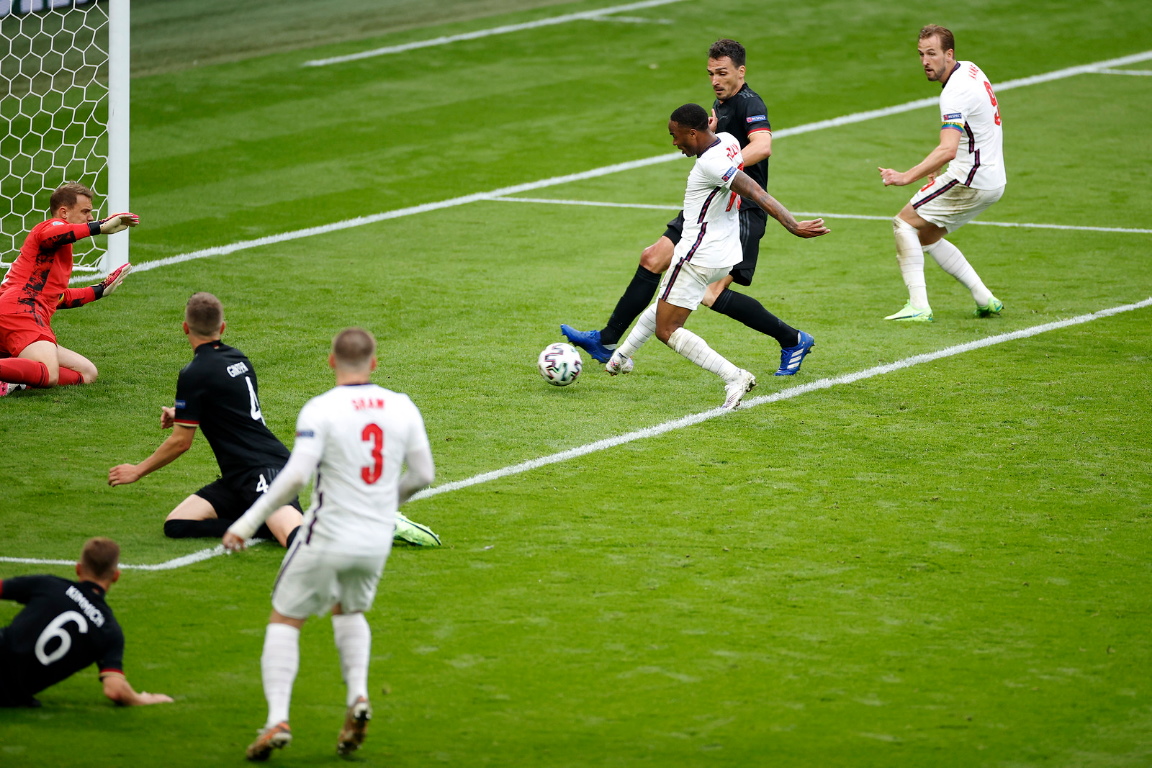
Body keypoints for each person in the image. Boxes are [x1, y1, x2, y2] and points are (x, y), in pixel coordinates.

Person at [222, 327, 436, 761]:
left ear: (330, 361)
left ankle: (278, 718)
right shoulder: (402, 406)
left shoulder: (321, 409)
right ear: (374, 363)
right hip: (374, 540)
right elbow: (424, 475)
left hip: (327, 533)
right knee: (349, 608)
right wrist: (385, 502)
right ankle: (358, 696)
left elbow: (297, 477)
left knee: (285, 617)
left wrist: (245, 524)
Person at [562, 39, 818, 376]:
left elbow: (763, 145)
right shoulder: (719, 105)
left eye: (722, 73)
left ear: (741, 72)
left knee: (710, 294)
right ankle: (608, 341)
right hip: (707, 208)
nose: (715, 79)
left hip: (739, 210)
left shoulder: (748, 103)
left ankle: (792, 339)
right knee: (652, 258)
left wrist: (725, 167)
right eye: (711, 73)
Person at [605, 104, 829, 410]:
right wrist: (709, 127)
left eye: (676, 135)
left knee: (667, 330)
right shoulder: (728, 140)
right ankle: (619, 358)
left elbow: (755, 191)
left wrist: (793, 225)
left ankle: (735, 376)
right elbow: (718, 137)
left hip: (697, 254)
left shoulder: (709, 164)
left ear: (693, 132)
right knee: (666, 302)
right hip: (724, 253)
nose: (674, 143)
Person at [877, 25, 1006, 322]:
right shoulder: (970, 70)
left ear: (949, 54)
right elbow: (967, 131)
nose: (925, 61)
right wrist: (936, 167)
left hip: (970, 178)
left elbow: (948, 148)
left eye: (932, 54)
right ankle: (985, 298)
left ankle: (919, 306)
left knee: (903, 224)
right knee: (926, 236)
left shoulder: (955, 92)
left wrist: (904, 176)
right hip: (992, 178)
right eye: (921, 54)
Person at [0, 538, 173, 708]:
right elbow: (115, 691)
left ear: (78, 568)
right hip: (8, 695)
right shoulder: (109, 631)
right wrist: (144, 699)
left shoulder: (48, 585)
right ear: (116, 576)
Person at [0, 182, 135, 396]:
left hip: (19, 312)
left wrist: (100, 290)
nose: (90, 217)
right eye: (85, 211)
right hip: (21, 311)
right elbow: (54, 234)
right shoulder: (50, 227)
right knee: (50, 374)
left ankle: (12, 382)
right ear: (64, 212)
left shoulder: (57, 252)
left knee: (87, 373)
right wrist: (99, 227)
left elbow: (58, 297)